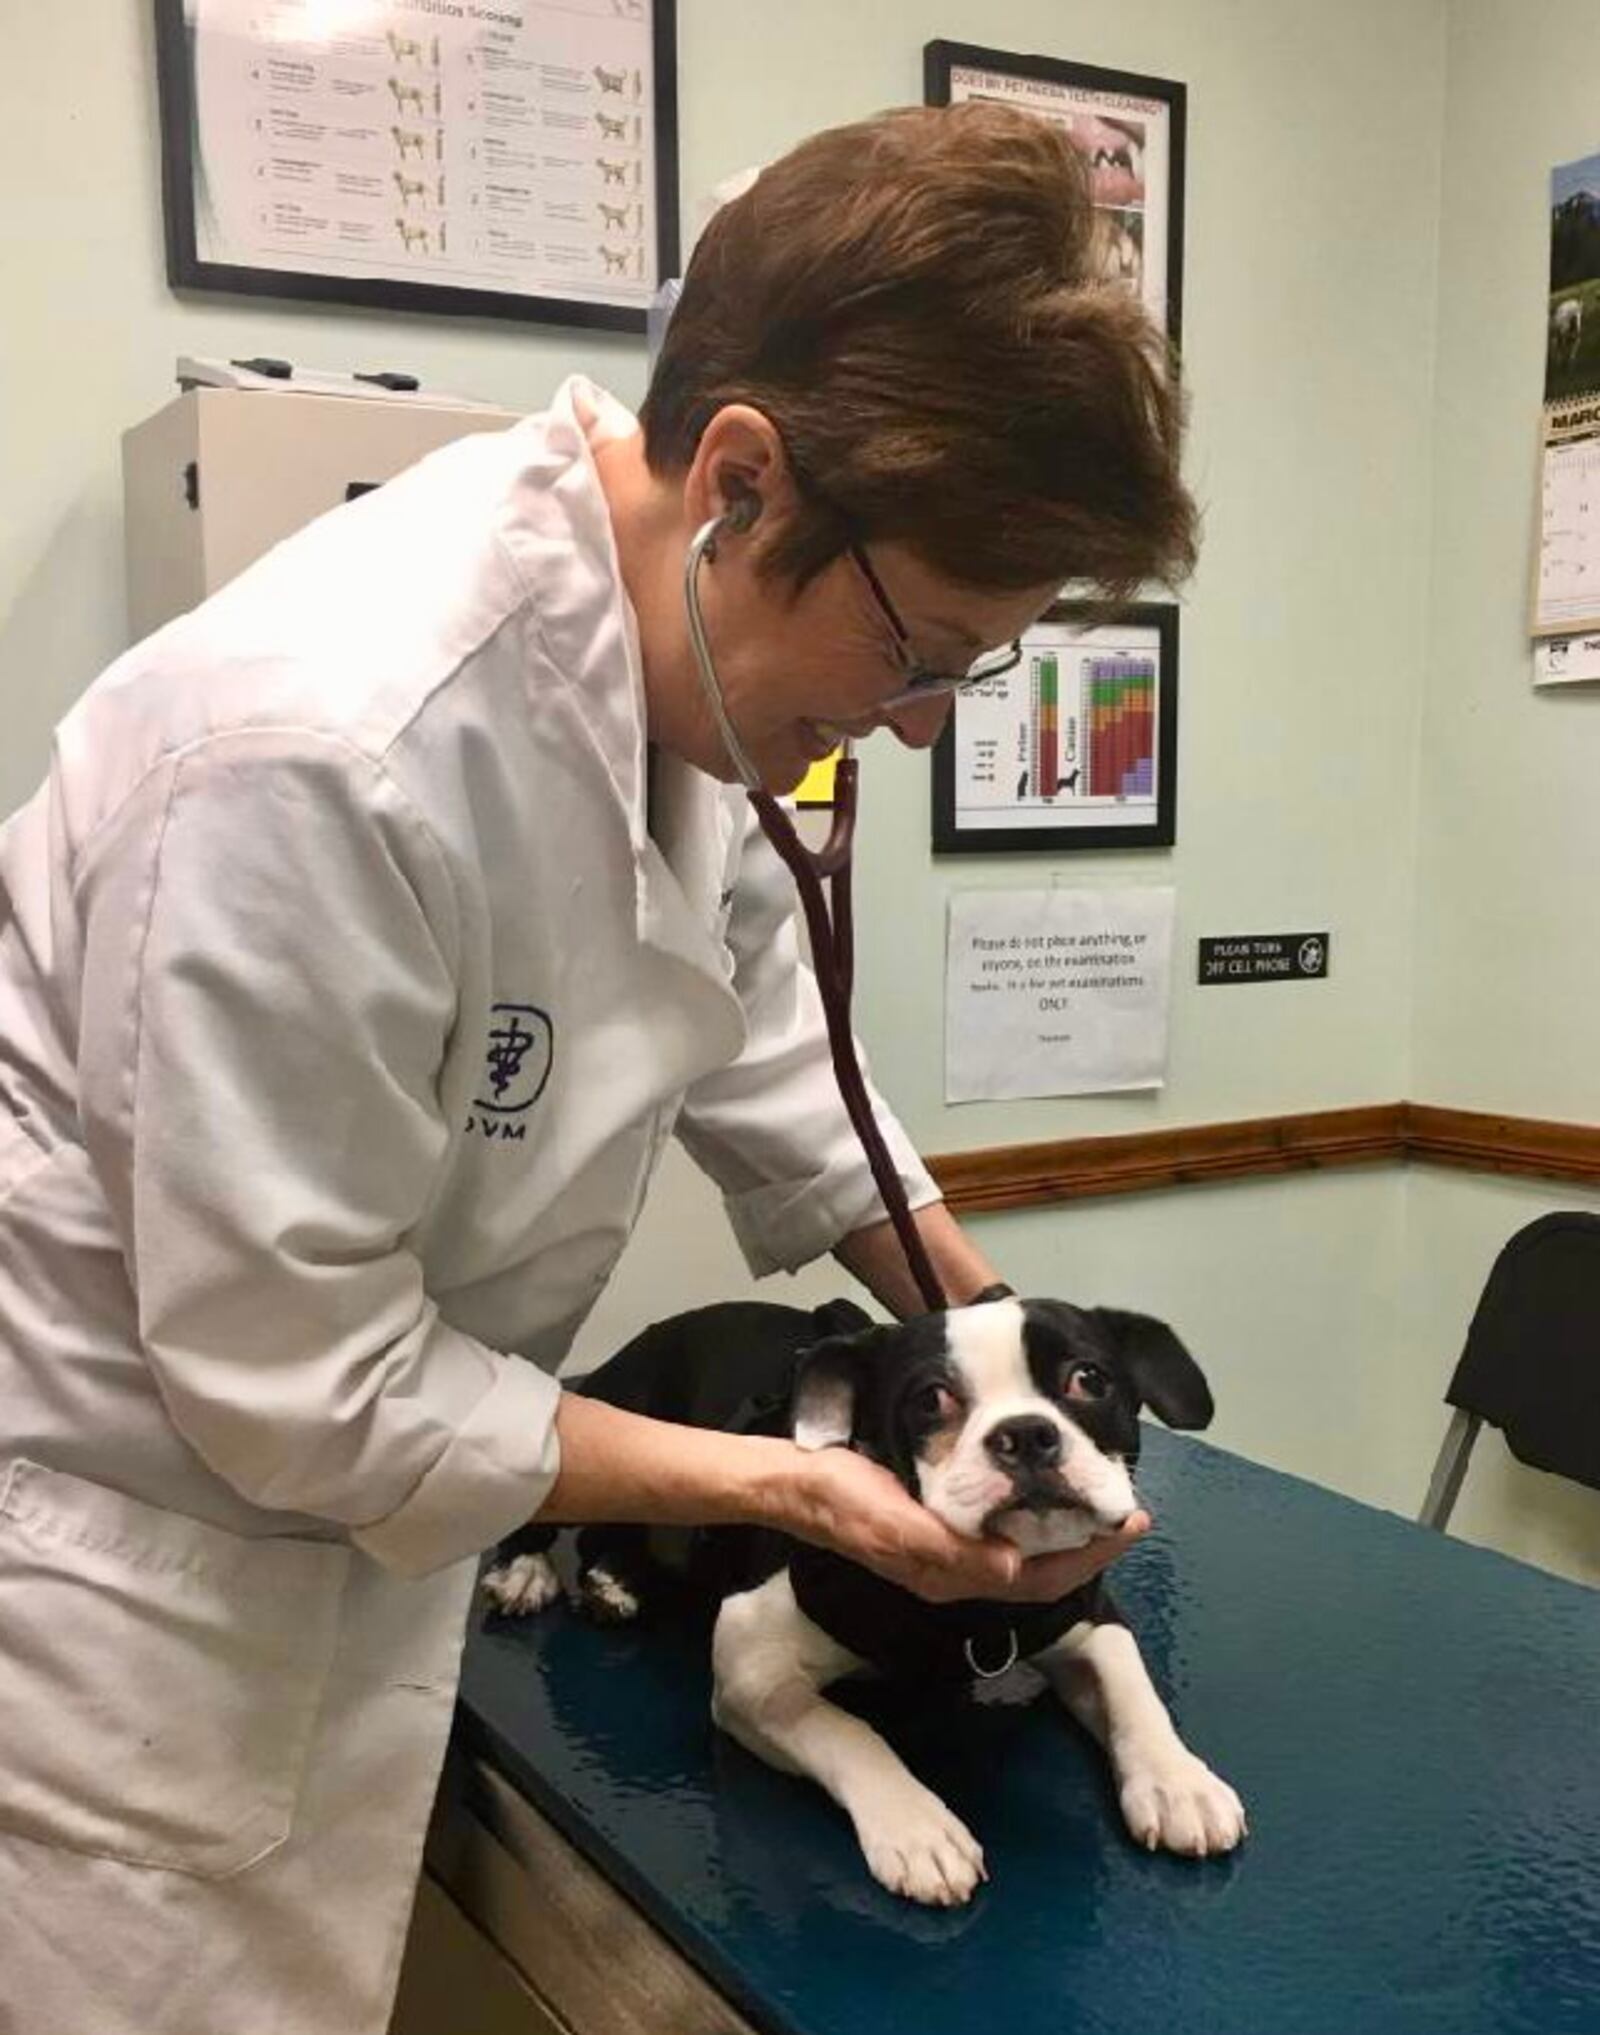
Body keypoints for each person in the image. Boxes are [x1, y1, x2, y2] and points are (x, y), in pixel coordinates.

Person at [0, 100, 1196, 2035]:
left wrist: (1001, 1366)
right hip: (129, 1612)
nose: (907, 732)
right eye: (920, 651)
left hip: (362, 1563)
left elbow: (786, 1075)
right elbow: (304, 1386)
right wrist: (800, 1493)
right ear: (739, 476)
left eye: (962, 679)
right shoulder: (322, 752)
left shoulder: (675, 691)